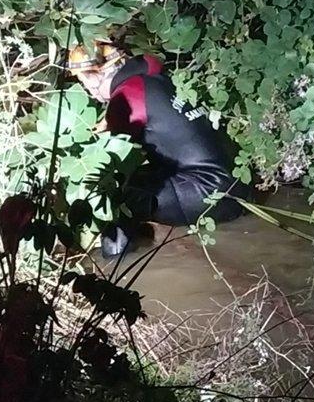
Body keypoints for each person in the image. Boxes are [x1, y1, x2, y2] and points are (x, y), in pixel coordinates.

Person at [67, 40, 246, 258]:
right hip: (237, 184)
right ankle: (144, 236)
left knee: (113, 191)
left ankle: (115, 264)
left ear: (94, 75)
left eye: (83, 80)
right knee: (141, 179)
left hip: (208, 193)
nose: (87, 88)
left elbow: (110, 160)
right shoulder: (154, 79)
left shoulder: (126, 96)